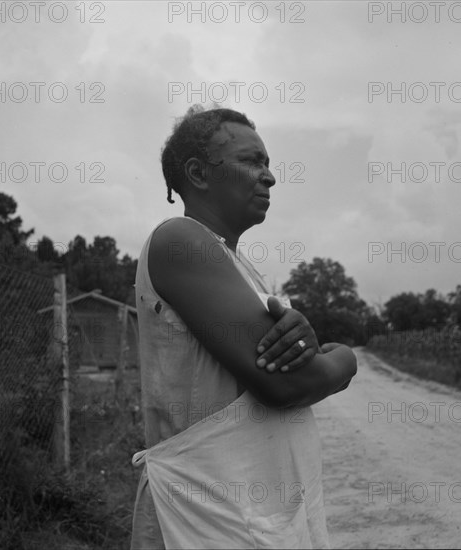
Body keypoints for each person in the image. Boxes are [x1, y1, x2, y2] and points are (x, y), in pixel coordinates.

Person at [131, 106, 357, 549]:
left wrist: (309, 346)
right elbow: (291, 382)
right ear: (197, 173)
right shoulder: (181, 239)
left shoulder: (237, 266)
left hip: (241, 514)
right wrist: (345, 359)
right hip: (204, 517)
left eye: (268, 163)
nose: (269, 176)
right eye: (253, 161)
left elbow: (289, 363)